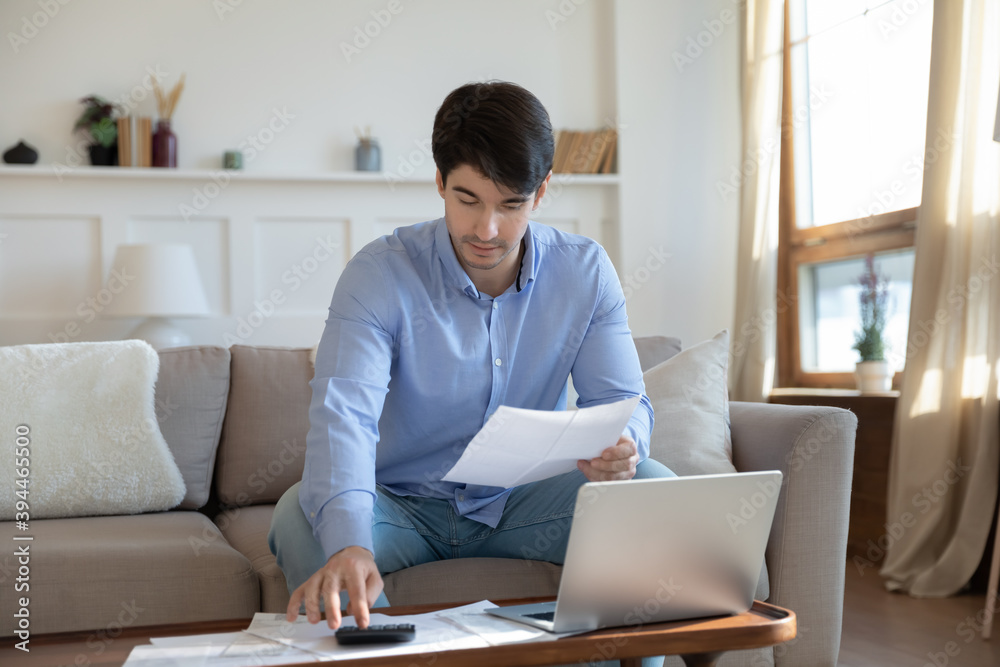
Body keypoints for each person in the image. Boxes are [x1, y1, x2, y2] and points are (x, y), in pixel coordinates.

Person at [268, 81, 675, 637]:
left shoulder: (585, 271)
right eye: (468, 200)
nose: (487, 230)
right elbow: (346, 417)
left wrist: (625, 444)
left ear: (542, 190)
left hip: (526, 504)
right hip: (401, 507)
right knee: (300, 513)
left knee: (653, 486)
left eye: (511, 205)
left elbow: (625, 403)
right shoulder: (379, 274)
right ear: (439, 182)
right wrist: (351, 542)